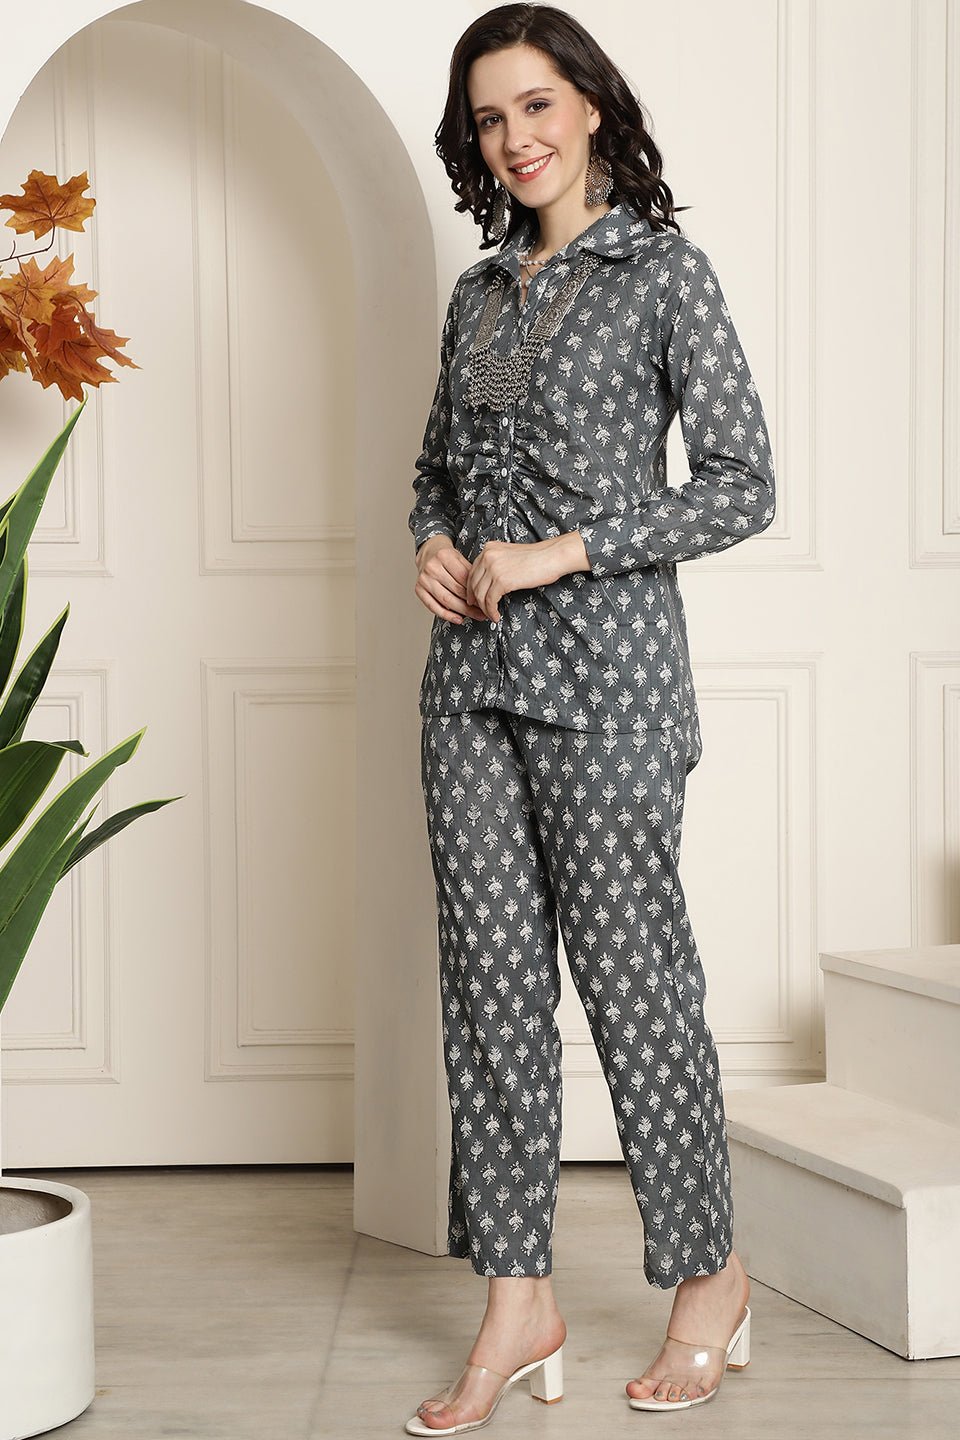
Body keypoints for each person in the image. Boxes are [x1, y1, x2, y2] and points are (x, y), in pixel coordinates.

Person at [405, 4, 774, 1431]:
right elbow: (438, 474)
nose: (518, 138)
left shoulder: (664, 274)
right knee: (491, 994)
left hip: (610, 687)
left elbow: (742, 484)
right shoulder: (479, 296)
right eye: (491, 118)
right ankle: (518, 1301)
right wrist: (434, 545)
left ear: (593, 106)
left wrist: (565, 551)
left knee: (634, 987)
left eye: (538, 104)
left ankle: (710, 1277)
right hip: (470, 687)